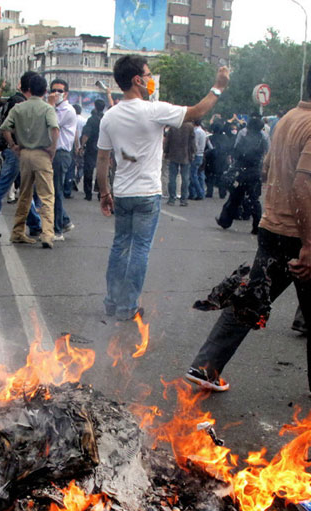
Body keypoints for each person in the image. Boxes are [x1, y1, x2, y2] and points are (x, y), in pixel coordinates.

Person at [185, 53, 311, 399]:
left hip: (272, 228)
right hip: (307, 234)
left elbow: (269, 169)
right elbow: (302, 185)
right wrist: (308, 246)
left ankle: (206, 367)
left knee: (251, 301)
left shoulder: (289, 119)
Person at [96, 55, 229, 320]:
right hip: (147, 195)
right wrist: (219, 87)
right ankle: (128, 307)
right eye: (148, 75)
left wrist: (104, 193)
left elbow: (102, 158)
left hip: (121, 192)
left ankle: (112, 301)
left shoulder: (109, 117)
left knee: (120, 245)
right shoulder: (153, 110)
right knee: (140, 249)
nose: (150, 80)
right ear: (137, 80)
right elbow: (198, 111)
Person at [0, 71, 44, 239]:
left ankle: (35, 224)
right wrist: (15, 144)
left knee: (24, 187)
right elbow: (13, 127)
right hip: (16, 151)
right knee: (5, 187)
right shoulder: (20, 103)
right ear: (31, 87)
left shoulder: (14, 100)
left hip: (12, 149)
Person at [1, 73, 59, 247]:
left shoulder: (19, 108)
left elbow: (5, 128)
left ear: (29, 89)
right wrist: (53, 148)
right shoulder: (48, 108)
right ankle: (47, 234)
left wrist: (13, 145)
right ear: (45, 90)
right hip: (42, 154)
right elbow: (55, 129)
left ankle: (18, 231)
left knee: (24, 194)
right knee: (47, 196)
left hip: (24, 154)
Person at [216, 115, 266, 231]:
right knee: (254, 200)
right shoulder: (262, 139)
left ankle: (225, 221)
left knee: (234, 198)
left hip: (242, 172)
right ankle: (257, 226)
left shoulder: (244, 138)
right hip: (255, 172)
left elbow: (236, 154)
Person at [49, 78, 77, 238]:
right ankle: (64, 221)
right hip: (52, 153)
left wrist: (51, 106)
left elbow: (52, 124)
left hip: (61, 153)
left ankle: (58, 230)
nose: (56, 94)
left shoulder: (67, 110)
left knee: (56, 191)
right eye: (53, 90)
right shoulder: (54, 108)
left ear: (66, 94)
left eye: (59, 91)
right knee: (51, 190)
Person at [80, 98, 105, 200]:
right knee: (101, 171)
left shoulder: (91, 119)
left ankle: (88, 193)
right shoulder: (105, 119)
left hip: (91, 148)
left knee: (88, 170)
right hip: (103, 148)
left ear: (95, 106)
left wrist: (82, 146)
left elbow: (86, 134)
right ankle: (101, 193)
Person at [164, 120, 194, 206]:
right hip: (185, 155)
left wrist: (166, 151)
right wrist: (192, 153)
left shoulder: (173, 126)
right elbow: (192, 142)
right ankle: (183, 199)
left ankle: (172, 199)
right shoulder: (190, 126)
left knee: (172, 178)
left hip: (173, 154)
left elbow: (168, 141)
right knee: (185, 178)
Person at [189, 119, 208, 200]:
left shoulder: (196, 132)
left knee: (193, 175)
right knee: (197, 174)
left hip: (196, 155)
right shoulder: (203, 132)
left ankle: (199, 193)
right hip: (201, 154)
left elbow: (194, 144)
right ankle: (195, 193)